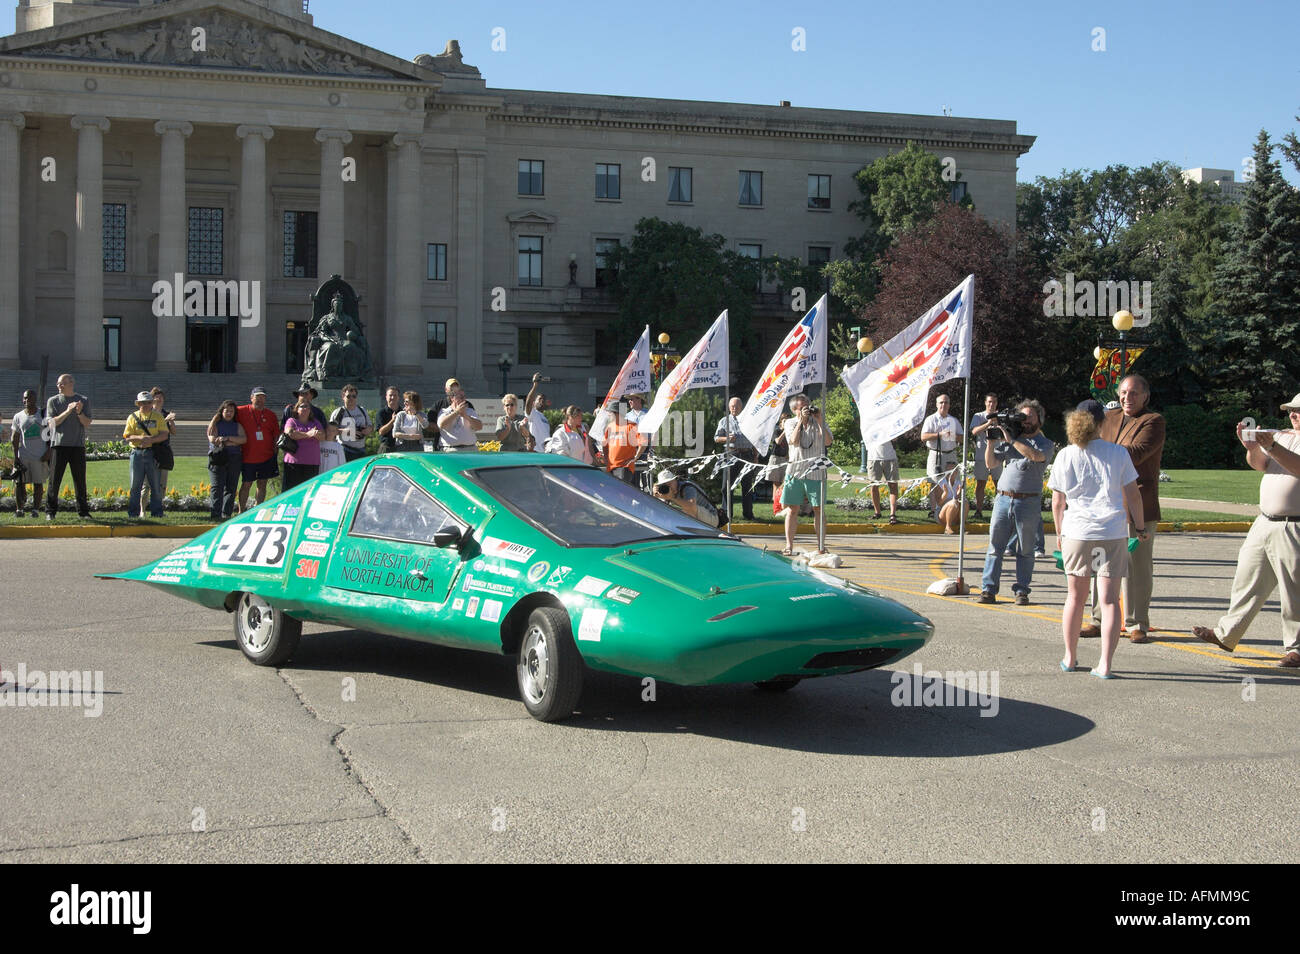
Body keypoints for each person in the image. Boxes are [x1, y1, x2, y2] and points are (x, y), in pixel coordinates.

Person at [1194, 395, 1300, 667]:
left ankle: (1296, 648)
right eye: (1291, 411)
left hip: (1294, 525)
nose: (1294, 415)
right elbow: (1261, 465)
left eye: (1299, 411)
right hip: (1265, 521)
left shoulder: (1280, 441)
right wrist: (1251, 447)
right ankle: (1226, 634)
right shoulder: (1284, 436)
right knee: (1247, 579)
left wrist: (1273, 446)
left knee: (1294, 591)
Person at [1049, 401, 1147, 678]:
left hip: (1077, 532)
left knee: (1075, 598)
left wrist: (1059, 533)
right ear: (1102, 422)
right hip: (1112, 532)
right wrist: (1139, 527)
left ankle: (1070, 657)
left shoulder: (1066, 454)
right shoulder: (1118, 453)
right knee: (1109, 600)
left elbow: (1058, 501)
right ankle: (1105, 663)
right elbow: (1133, 494)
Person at [1081, 374, 1166, 642]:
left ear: (1145, 397)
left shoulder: (1153, 421)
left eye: (1134, 393)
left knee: (1136, 567)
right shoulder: (1109, 417)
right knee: (1100, 563)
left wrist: (1100, 451)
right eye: (1124, 393)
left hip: (1137, 503)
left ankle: (1136, 623)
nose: (1128, 398)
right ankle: (1098, 619)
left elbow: (1137, 452)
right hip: (1105, 503)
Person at [978, 399, 1052, 605]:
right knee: (995, 547)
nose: (1026, 420)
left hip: (1028, 502)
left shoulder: (1045, 443)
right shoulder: (1011, 439)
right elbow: (991, 463)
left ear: (1039, 419)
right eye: (1023, 416)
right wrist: (991, 444)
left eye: (1030, 416)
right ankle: (988, 589)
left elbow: (1035, 456)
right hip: (1003, 499)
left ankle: (1021, 591)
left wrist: (1010, 439)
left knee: (1026, 550)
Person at [781, 393, 833, 557]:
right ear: (794, 409)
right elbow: (794, 440)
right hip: (795, 471)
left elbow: (828, 442)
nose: (806, 409)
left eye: (808, 406)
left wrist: (819, 420)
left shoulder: (818, 421)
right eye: (802, 407)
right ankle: (789, 545)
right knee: (792, 509)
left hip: (816, 472)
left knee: (819, 509)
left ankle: (821, 545)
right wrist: (801, 423)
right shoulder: (790, 422)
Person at [45, 373, 93, 521]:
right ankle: (50, 511)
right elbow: (52, 423)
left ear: (71, 383)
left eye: (62, 383)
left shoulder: (83, 400)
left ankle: (83, 512)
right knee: (55, 480)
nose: (59, 386)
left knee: (80, 480)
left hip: (77, 446)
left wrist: (78, 412)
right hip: (59, 445)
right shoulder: (53, 401)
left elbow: (87, 423)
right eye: (58, 384)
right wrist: (68, 411)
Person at [235, 386, 280, 513]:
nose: (260, 400)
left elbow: (276, 434)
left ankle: (257, 510)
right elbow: (224, 412)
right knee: (247, 484)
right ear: (251, 398)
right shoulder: (241, 411)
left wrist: (275, 448)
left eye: (262, 397)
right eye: (257, 397)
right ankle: (241, 511)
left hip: (266, 456)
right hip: (247, 456)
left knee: (262, 484)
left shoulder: (270, 415)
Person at [123, 390, 166, 519]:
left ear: (152, 403)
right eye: (142, 403)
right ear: (138, 404)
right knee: (135, 486)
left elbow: (164, 434)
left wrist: (151, 440)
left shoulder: (158, 416)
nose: (145, 405)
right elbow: (127, 436)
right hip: (136, 453)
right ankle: (133, 513)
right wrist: (141, 438)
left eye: (148, 402)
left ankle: (157, 513)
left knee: (155, 485)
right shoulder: (132, 417)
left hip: (152, 453)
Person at [9, 389, 50, 517]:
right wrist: (16, 457)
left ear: (35, 399)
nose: (27, 400)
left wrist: (49, 451)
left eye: (30, 398)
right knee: (19, 483)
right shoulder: (18, 416)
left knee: (38, 484)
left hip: (40, 456)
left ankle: (35, 510)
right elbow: (14, 438)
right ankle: (19, 510)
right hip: (24, 456)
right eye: (25, 398)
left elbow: (52, 434)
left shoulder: (43, 414)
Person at [715, 397, 757, 521]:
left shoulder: (749, 420)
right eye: (732, 406)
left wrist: (755, 456)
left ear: (741, 407)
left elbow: (755, 439)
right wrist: (727, 438)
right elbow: (716, 438)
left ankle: (748, 514)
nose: (734, 408)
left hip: (747, 454)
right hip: (731, 454)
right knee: (726, 486)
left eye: (737, 406)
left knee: (747, 485)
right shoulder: (724, 421)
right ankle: (728, 514)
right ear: (729, 407)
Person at [921, 393, 962, 515]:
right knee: (935, 482)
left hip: (951, 454)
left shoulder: (954, 420)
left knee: (953, 481)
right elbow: (923, 437)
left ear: (949, 405)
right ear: (936, 404)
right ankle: (934, 510)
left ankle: (950, 509)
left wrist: (952, 435)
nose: (944, 404)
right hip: (936, 454)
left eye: (946, 402)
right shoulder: (931, 419)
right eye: (941, 402)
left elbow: (962, 438)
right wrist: (939, 435)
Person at [206, 399, 246, 521]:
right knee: (216, 487)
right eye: (226, 411)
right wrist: (232, 442)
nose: (229, 413)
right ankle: (215, 514)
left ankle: (226, 513)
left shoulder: (237, 425)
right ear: (221, 411)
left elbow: (243, 439)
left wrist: (227, 439)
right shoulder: (216, 424)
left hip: (234, 458)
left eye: (231, 411)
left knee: (231, 487)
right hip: (218, 457)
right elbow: (213, 438)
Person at [969, 393, 1002, 520]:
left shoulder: (1000, 416)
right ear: (985, 403)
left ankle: (1000, 510)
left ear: (996, 403)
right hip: (982, 454)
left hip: (997, 453)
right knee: (981, 483)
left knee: (999, 483)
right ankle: (978, 510)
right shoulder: (978, 416)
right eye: (989, 402)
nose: (991, 404)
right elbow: (974, 431)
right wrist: (988, 423)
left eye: (994, 402)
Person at [144, 386, 176, 511]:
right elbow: (152, 430)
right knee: (146, 483)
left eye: (161, 398)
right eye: (156, 397)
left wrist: (171, 422)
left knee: (162, 482)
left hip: (163, 451)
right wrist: (165, 420)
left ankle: (157, 508)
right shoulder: (148, 414)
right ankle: (142, 509)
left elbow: (173, 432)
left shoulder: (166, 414)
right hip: (150, 449)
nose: (159, 400)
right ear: (151, 400)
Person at [281, 399, 322, 490]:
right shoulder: (291, 421)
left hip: (312, 463)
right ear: (296, 409)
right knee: (291, 491)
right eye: (302, 406)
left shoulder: (315, 422)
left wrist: (300, 434)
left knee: (309, 491)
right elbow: (290, 433)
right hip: (293, 463)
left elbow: (322, 436)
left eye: (307, 406)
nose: (304, 408)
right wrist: (308, 434)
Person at [601, 401, 644, 484]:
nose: (608, 415)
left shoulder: (632, 426)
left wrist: (635, 458)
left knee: (621, 495)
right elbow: (605, 446)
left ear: (616, 413)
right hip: (611, 467)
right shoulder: (610, 427)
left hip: (624, 468)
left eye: (610, 413)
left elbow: (643, 443)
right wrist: (606, 460)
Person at [330, 384, 371, 461]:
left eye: (354, 396)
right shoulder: (339, 412)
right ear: (343, 397)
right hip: (345, 450)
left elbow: (370, 426)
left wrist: (367, 430)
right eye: (348, 396)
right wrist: (346, 431)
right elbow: (330, 431)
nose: (351, 398)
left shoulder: (362, 410)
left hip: (361, 450)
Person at [437, 385, 483, 451]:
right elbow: (442, 425)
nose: (464, 399)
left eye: (464, 397)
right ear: (452, 398)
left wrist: (466, 416)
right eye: (461, 397)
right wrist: (456, 412)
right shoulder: (444, 411)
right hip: (450, 450)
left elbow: (479, 427)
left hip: (470, 449)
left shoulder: (470, 411)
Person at [866, 440, 900, 524]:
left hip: (890, 457)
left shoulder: (890, 426)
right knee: (874, 486)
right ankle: (877, 513)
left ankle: (892, 515)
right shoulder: (869, 426)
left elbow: (896, 438)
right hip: (873, 458)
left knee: (893, 486)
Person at [524, 373, 551, 447]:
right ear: (533, 403)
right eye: (539, 399)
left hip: (545, 453)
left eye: (544, 399)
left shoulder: (545, 419)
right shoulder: (533, 413)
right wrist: (535, 385)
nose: (542, 400)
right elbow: (528, 403)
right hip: (535, 452)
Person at [376, 386, 402, 454]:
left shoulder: (403, 412)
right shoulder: (381, 413)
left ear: (398, 397)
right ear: (386, 397)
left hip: (402, 447)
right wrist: (392, 421)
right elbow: (381, 432)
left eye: (395, 395)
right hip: (387, 447)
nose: (393, 398)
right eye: (390, 395)